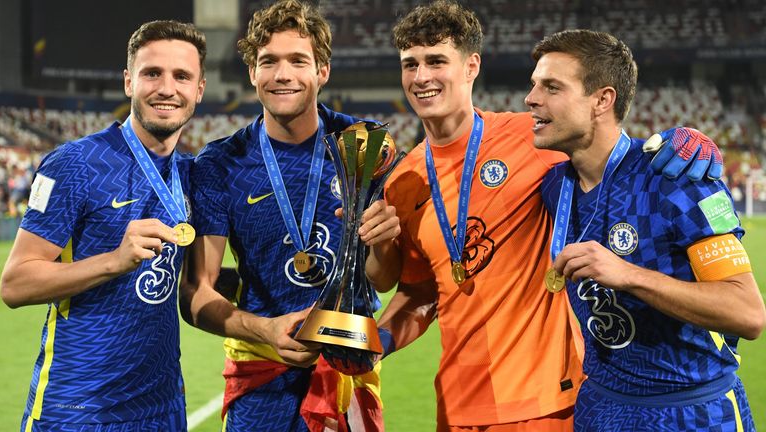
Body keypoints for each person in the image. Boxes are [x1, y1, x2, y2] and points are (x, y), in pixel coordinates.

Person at [366, 1, 728, 431]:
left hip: (548, 403)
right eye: (410, 64)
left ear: (471, 66)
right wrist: (373, 342)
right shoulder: (403, 181)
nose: (421, 76)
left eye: (436, 61)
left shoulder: (532, 137)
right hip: (457, 406)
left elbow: (608, 148)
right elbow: (422, 292)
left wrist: (685, 138)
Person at [528, 29, 765, 431]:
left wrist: (629, 275)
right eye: (534, 85)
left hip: (692, 410)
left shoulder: (678, 175)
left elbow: (747, 313)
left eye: (552, 87)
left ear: (603, 100)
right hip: (600, 406)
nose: (531, 98)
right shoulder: (554, 186)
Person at [179, 1, 398, 431]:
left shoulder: (366, 146)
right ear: (252, 74)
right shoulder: (220, 164)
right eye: (269, 62)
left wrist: (385, 242)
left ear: (323, 70)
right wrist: (265, 330)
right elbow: (196, 293)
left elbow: (383, 279)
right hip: (260, 378)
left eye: (298, 60)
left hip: (347, 369)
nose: (282, 74)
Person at [0, 20, 206, 431]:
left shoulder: (192, 173)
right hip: (79, 407)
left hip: (163, 408)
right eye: (152, 73)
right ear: (129, 82)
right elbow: (15, 284)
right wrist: (114, 260)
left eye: (181, 76)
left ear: (199, 90)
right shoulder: (74, 163)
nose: (167, 88)